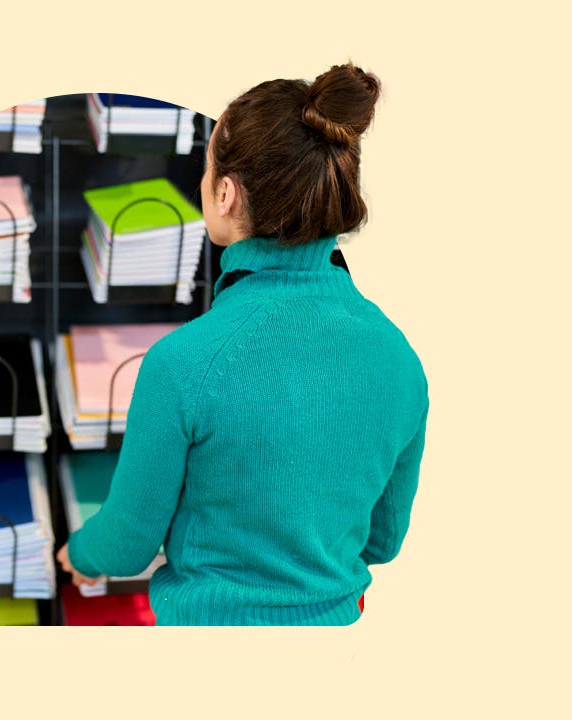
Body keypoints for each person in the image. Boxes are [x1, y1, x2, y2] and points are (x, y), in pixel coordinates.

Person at [56, 62, 429, 625]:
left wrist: (79, 553)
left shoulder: (183, 363)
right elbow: (382, 542)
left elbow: (128, 544)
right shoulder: (401, 360)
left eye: (207, 168)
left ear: (225, 193)